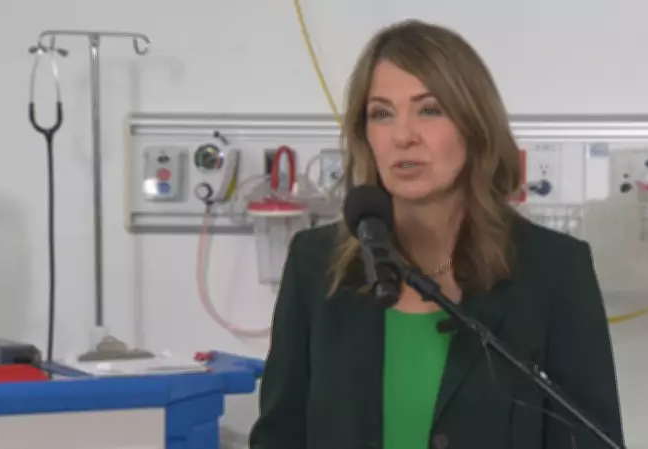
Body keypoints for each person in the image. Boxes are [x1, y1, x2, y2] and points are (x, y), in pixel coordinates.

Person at [249, 19, 624, 449]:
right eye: (381, 114)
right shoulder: (315, 264)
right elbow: (278, 437)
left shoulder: (554, 270)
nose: (403, 136)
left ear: (474, 125)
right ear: (365, 136)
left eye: (429, 110)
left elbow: (591, 441)